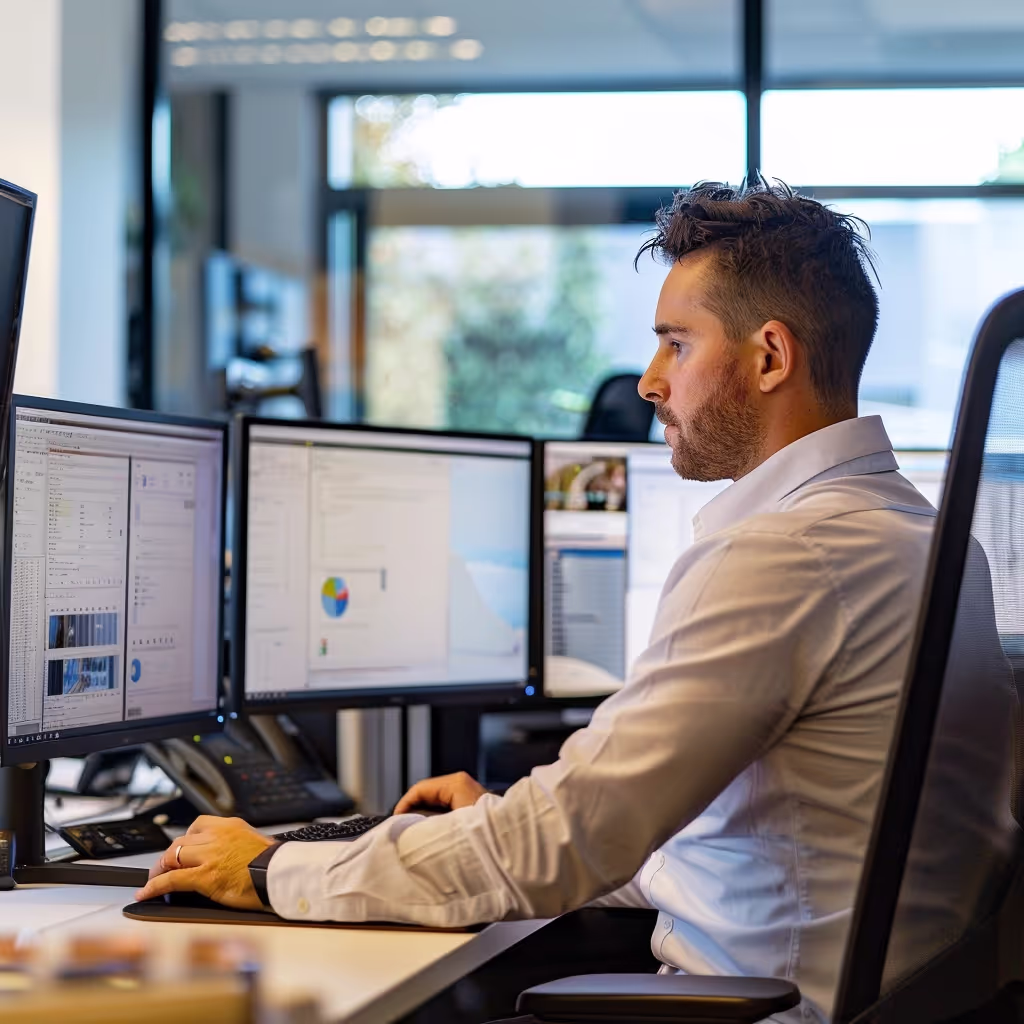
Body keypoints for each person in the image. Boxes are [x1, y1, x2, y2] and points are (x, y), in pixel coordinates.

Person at [135, 181, 940, 1023]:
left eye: (675, 343)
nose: (650, 381)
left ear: (770, 357)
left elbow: (562, 847)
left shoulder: (781, 555)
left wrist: (271, 870)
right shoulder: (908, 532)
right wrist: (497, 820)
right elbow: (764, 849)